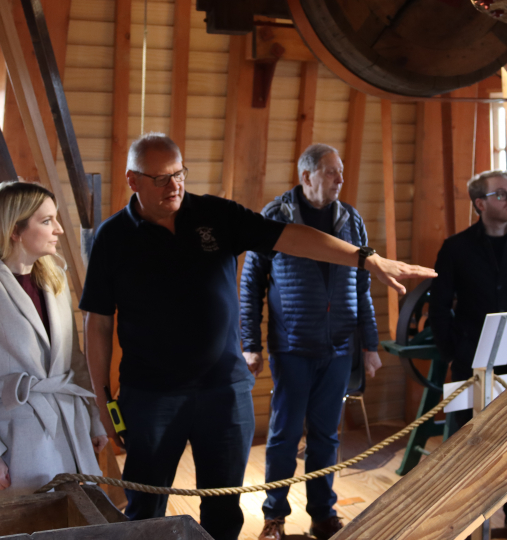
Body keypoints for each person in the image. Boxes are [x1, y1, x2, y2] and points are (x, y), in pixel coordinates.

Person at [80, 133, 436, 540]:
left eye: (179, 174)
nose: (174, 185)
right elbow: (99, 322)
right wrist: (102, 399)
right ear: (133, 181)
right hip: (151, 396)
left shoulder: (214, 215)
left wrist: (365, 257)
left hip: (224, 392)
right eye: (160, 178)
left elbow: (291, 237)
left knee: (224, 509)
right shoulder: (113, 238)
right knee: (146, 510)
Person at [239, 144, 382, 540]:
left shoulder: (351, 219)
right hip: (293, 347)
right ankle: (274, 518)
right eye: (331, 172)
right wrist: (251, 343)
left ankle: (323, 513)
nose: (340, 179)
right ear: (307, 177)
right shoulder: (276, 217)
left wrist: (369, 344)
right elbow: (250, 285)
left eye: (340, 171)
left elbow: (363, 284)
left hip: (339, 348)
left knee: (326, 435)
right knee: (285, 435)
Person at [0, 181, 107, 498]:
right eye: (47, 221)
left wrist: (94, 420)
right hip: (14, 442)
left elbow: (74, 362)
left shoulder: (54, 278)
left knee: (74, 525)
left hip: (68, 427)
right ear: (15, 230)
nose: (58, 229)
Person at [428, 169, 507, 535]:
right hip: (472, 357)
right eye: (501, 194)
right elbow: (439, 306)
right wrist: (453, 350)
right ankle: (469, 512)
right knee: (470, 438)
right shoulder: (455, 248)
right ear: (480, 203)